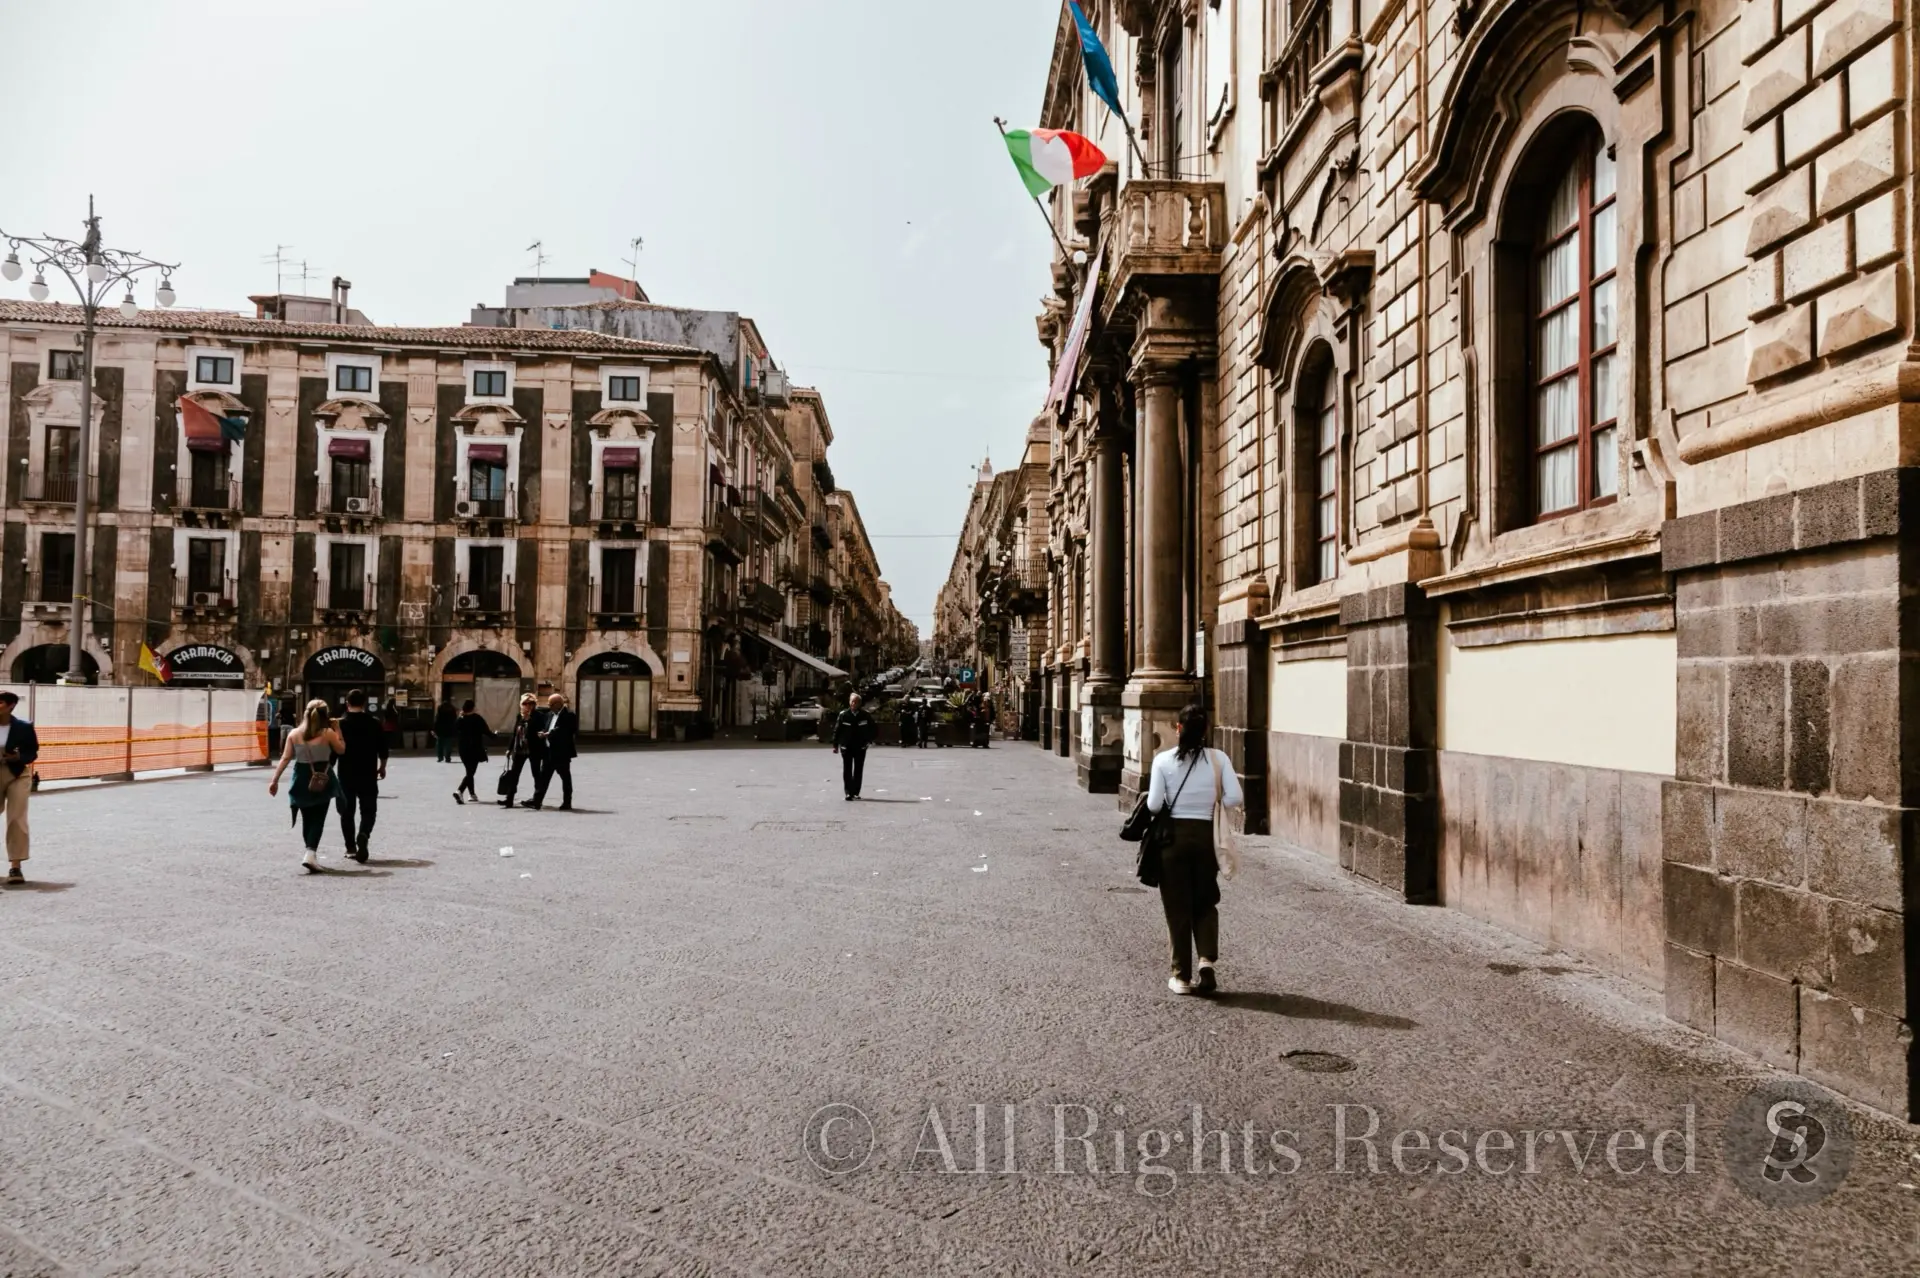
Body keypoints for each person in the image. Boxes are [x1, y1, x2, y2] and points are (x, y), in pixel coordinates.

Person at [1145, 703, 1244, 997]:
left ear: (1178, 728)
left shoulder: (1163, 761)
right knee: (1205, 899)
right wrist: (1210, 805)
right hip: (1206, 838)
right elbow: (1235, 797)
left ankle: (1181, 976)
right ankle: (1206, 960)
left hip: (1172, 840)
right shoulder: (1218, 759)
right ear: (1205, 731)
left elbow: (1152, 805)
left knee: (1177, 908)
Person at [267, 699, 346, 874]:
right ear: (326, 715)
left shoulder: (294, 734)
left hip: (301, 777)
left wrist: (274, 780)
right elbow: (341, 750)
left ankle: (310, 853)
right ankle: (310, 854)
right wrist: (338, 730)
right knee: (318, 818)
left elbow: (285, 758)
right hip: (322, 777)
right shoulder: (328, 734)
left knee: (307, 817)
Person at [335, 688, 387, 863]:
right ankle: (364, 834)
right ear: (364, 703)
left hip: (345, 773)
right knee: (369, 809)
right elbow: (383, 748)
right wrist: (382, 767)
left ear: (347, 703)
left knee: (346, 811)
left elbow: (333, 751)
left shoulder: (340, 724)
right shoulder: (374, 722)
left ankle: (350, 847)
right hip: (367, 772)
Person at [0, 690, 40, 884]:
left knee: (16, 818)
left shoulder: (23, 727)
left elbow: (32, 752)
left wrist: (18, 757)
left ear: (11, 706)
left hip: (16, 774)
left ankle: (15, 867)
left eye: (0, 703)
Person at [527, 693, 577, 811]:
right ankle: (536, 801)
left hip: (561, 753)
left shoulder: (569, 715)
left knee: (565, 778)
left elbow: (567, 730)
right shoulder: (549, 715)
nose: (549, 707)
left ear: (558, 704)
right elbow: (547, 728)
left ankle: (567, 802)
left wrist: (550, 733)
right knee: (543, 777)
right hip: (548, 752)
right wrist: (543, 733)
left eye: (551, 704)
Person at [498, 694, 544, 808]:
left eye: (530, 703)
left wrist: (529, 719)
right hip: (519, 749)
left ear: (534, 705)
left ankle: (537, 799)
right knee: (514, 774)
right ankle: (509, 799)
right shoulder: (520, 716)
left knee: (536, 774)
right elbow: (514, 734)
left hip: (533, 749)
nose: (527, 706)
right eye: (525, 703)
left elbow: (538, 731)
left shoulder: (538, 716)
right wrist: (509, 749)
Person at [831, 692, 874, 800]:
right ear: (849, 703)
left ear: (860, 703)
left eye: (856, 702)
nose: (854, 704)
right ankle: (848, 792)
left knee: (858, 769)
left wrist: (868, 741)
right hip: (847, 746)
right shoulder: (843, 715)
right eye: (852, 701)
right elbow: (837, 730)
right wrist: (835, 745)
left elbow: (873, 729)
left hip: (860, 746)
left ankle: (855, 791)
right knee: (847, 769)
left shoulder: (865, 715)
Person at [453, 700, 493, 803]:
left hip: (463, 749)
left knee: (469, 771)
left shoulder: (460, 719)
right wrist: (495, 736)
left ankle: (472, 794)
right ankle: (460, 791)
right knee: (471, 771)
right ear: (473, 708)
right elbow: (486, 731)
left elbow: (454, 731)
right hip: (475, 748)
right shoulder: (477, 718)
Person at [433, 697, 459, 764]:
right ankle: (447, 757)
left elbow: (437, 720)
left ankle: (440, 757)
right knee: (448, 745)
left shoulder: (440, 709)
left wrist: (435, 729)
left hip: (440, 729)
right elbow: (455, 719)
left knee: (440, 744)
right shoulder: (452, 709)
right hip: (450, 729)